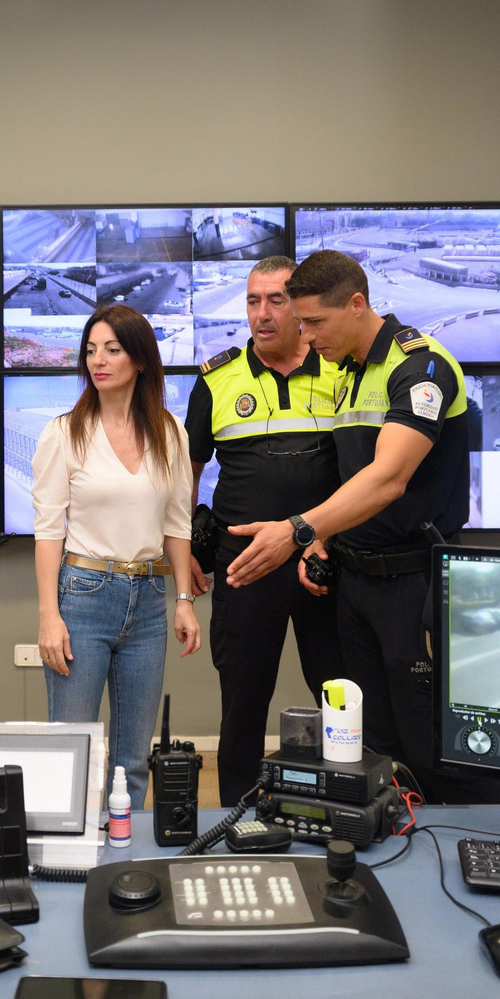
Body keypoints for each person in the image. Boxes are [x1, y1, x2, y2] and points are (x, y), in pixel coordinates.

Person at [223, 250, 500, 805]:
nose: (304, 335)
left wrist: (298, 530)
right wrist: (326, 538)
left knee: (438, 748)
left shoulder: (419, 367)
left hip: (415, 586)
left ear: (357, 305)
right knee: (374, 748)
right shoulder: (348, 372)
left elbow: (387, 479)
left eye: (315, 323)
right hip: (357, 587)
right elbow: (349, 475)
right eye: (300, 322)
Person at [183, 256, 345, 804]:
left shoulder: (340, 371)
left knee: (341, 696)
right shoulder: (216, 379)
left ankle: (346, 809)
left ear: (300, 307)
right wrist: (183, 551)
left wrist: (322, 540)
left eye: (276, 300)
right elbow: (189, 473)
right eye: (253, 301)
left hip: (323, 564)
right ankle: (239, 814)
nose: (263, 313)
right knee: (243, 701)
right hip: (244, 567)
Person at [33, 304, 202, 804]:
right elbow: (47, 531)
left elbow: (177, 523)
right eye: (90, 351)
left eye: (112, 349)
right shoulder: (64, 432)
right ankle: (67, 856)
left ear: (141, 360)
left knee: (132, 758)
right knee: (72, 747)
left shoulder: (169, 432)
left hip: (149, 599)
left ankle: (124, 855)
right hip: (83, 596)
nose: (98, 361)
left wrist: (184, 599)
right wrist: (48, 615)